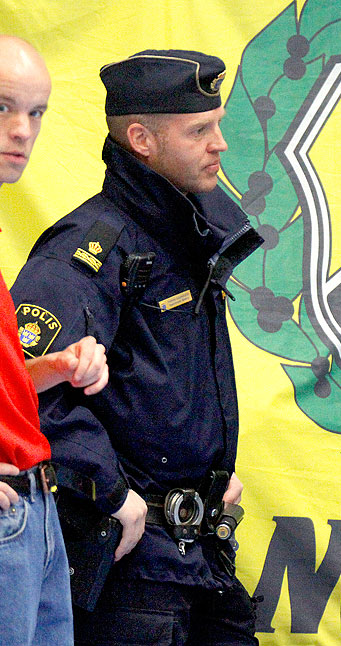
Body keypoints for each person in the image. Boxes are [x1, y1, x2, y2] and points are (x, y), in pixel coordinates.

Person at [10, 49, 263, 646]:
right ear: (142, 138)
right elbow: (23, 387)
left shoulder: (185, 239)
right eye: (200, 130)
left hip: (199, 561)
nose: (220, 144)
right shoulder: (90, 248)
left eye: (218, 125)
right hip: (132, 574)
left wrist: (208, 480)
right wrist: (113, 493)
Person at [0, 35, 108, 646]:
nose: (23, 130)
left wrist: (54, 367)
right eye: (2, 107)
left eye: (36, 111)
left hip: (35, 509)